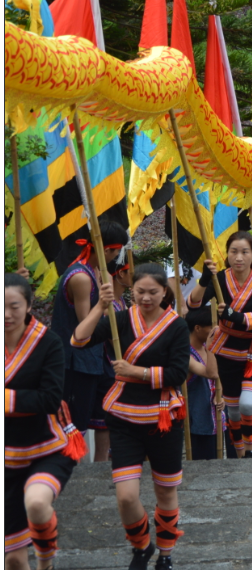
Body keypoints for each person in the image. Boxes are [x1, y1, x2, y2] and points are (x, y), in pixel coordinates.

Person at [73, 265, 189, 570]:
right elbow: (78, 340)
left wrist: (136, 372)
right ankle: (141, 545)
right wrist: (100, 305)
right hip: (123, 418)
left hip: (163, 418)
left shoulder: (176, 326)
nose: (146, 297)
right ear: (132, 291)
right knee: (125, 496)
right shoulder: (120, 319)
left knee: (165, 490)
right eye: (140, 292)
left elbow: (178, 373)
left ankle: (165, 553)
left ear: (165, 292)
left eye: (153, 292)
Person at [5, 272, 82, 571]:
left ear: (28, 306)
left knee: (37, 503)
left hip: (47, 449)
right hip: (6, 459)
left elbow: (50, 398)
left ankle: (46, 563)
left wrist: (7, 400)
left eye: (14, 305)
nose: (7, 314)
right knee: (12, 559)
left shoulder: (47, 342)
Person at [189, 231, 252, 458]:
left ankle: (251, 449)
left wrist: (234, 316)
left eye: (244, 252)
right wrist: (204, 281)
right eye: (234, 252)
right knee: (234, 410)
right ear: (227, 254)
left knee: (248, 404)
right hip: (227, 351)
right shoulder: (220, 278)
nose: (239, 257)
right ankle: (240, 453)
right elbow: (194, 304)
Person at [48, 219, 128, 464]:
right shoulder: (81, 276)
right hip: (75, 360)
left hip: (95, 357)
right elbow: (85, 324)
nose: (118, 257)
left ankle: (101, 465)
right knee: (77, 420)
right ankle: (75, 472)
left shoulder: (95, 270)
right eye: (117, 252)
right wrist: (106, 306)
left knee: (104, 415)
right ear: (106, 250)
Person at [183, 304, 223, 461]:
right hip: (197, 422)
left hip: (216, 420)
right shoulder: (184, 353)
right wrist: (213, 345)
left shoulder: (208, 347)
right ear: (198, 328)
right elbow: (212, 373)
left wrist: (222, 396)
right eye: (212, 328)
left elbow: (221, 375)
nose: (216, 331)